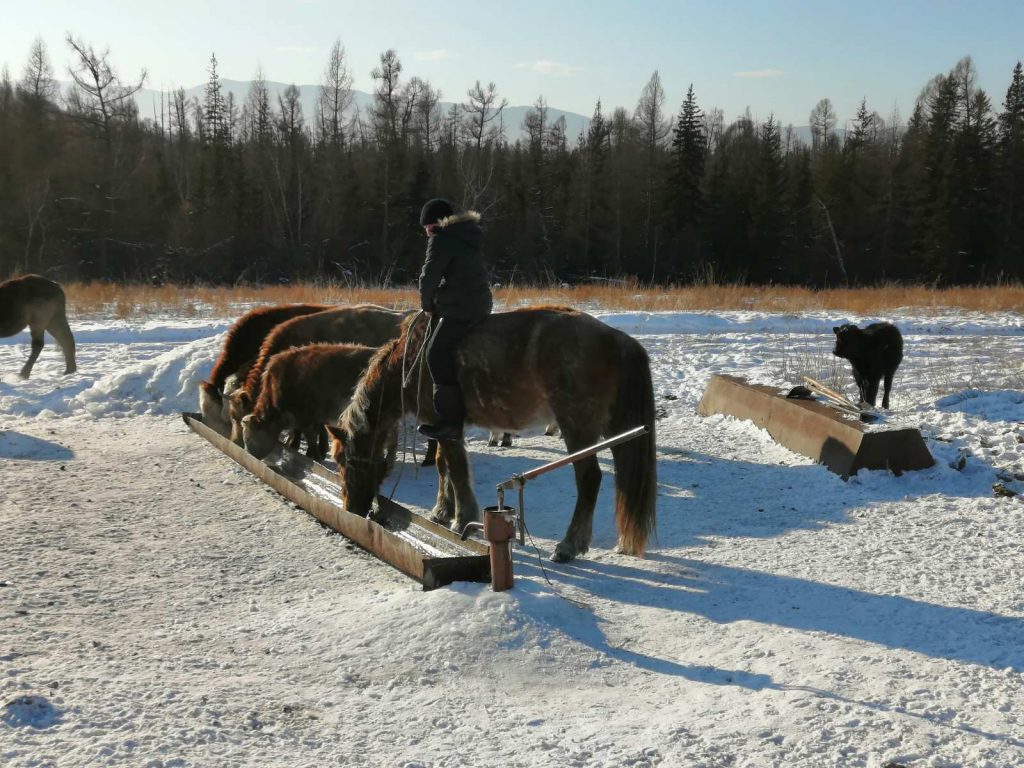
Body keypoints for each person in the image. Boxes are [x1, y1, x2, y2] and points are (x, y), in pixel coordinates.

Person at [416, 198, 493, 441]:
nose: (427, 232)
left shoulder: (441, 238)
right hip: (481, 302)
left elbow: (428, 277)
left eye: (427, 227)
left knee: (436, 354)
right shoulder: (468, 234)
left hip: (461, 307)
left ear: (435, 224)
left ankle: (450, 423)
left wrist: (427, 305)